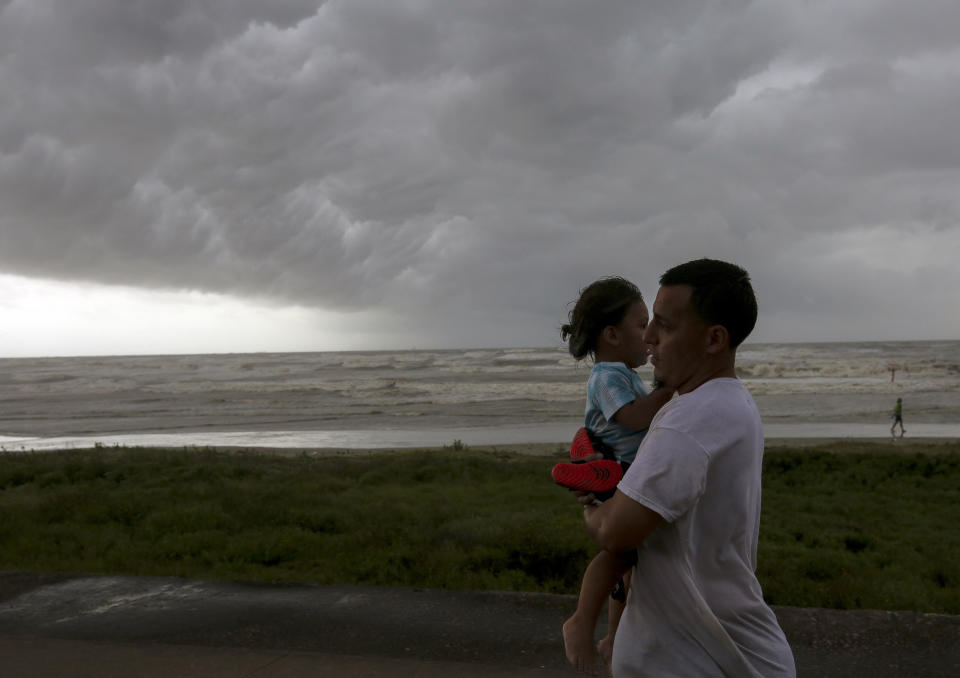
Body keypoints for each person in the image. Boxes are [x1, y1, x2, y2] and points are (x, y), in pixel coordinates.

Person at [575, 259, 796, 677]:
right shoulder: (730, 403)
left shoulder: (688, 422)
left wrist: (591, 503)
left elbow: (613, 531)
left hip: (695, 659)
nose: (649, 337)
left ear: (714, 339)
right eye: (647, 323)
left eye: (664, 325)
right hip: (718, 649)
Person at [555, 276, 674, 675]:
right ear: (611, 334)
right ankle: (581, 622)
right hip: (617, 474)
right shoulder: (607, 376)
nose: (650, 334)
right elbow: (635, 417)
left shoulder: (623, 374)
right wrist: (671, 386)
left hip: (629, 473)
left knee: (629, 562)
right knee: (618, 555)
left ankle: (613, 635)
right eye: (641, 325)